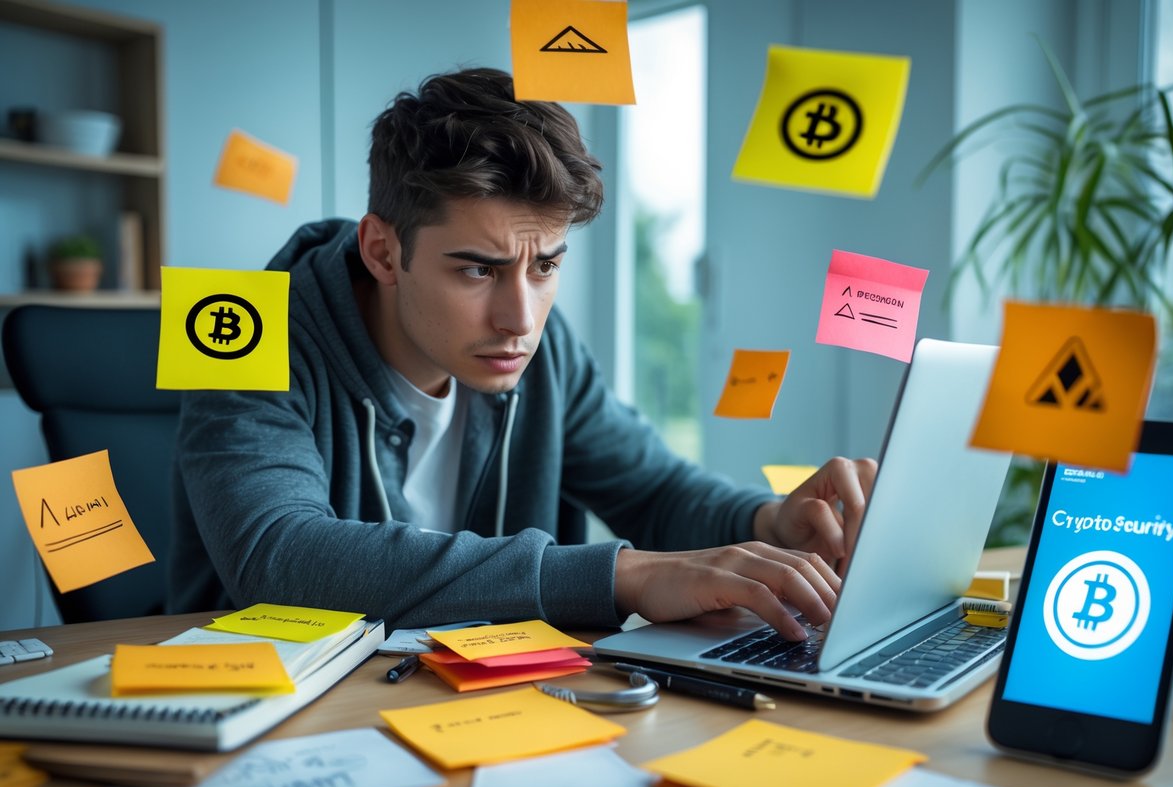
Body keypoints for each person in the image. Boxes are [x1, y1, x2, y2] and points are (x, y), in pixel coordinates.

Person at [170, 67, 877, 641]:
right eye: (477, 269)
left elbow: (651, 488)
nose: (521, 318)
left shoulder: (539, 337)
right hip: (264, 715)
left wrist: (770, 522)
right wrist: (618, 577)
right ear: (382, 250)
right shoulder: (233, 328)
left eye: (545, 266)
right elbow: (278, 554)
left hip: (475, 702)